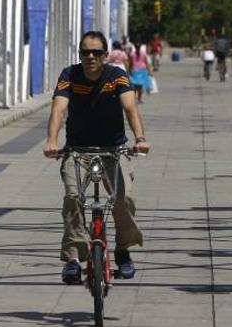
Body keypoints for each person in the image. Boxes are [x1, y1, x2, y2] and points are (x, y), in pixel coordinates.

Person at [43, 31, 151, 284]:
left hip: (113, 150)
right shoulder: (69, 75)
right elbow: (58, 109)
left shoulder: (116, 76)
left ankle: (123, 250)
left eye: (96, 52)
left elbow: (130, 106)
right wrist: (52, 141)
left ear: (105, 55)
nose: (90, 57)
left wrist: (140, 138)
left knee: (123, 198)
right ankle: (73, 258)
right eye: (85, 52)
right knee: (72, 197)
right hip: (77, 150)